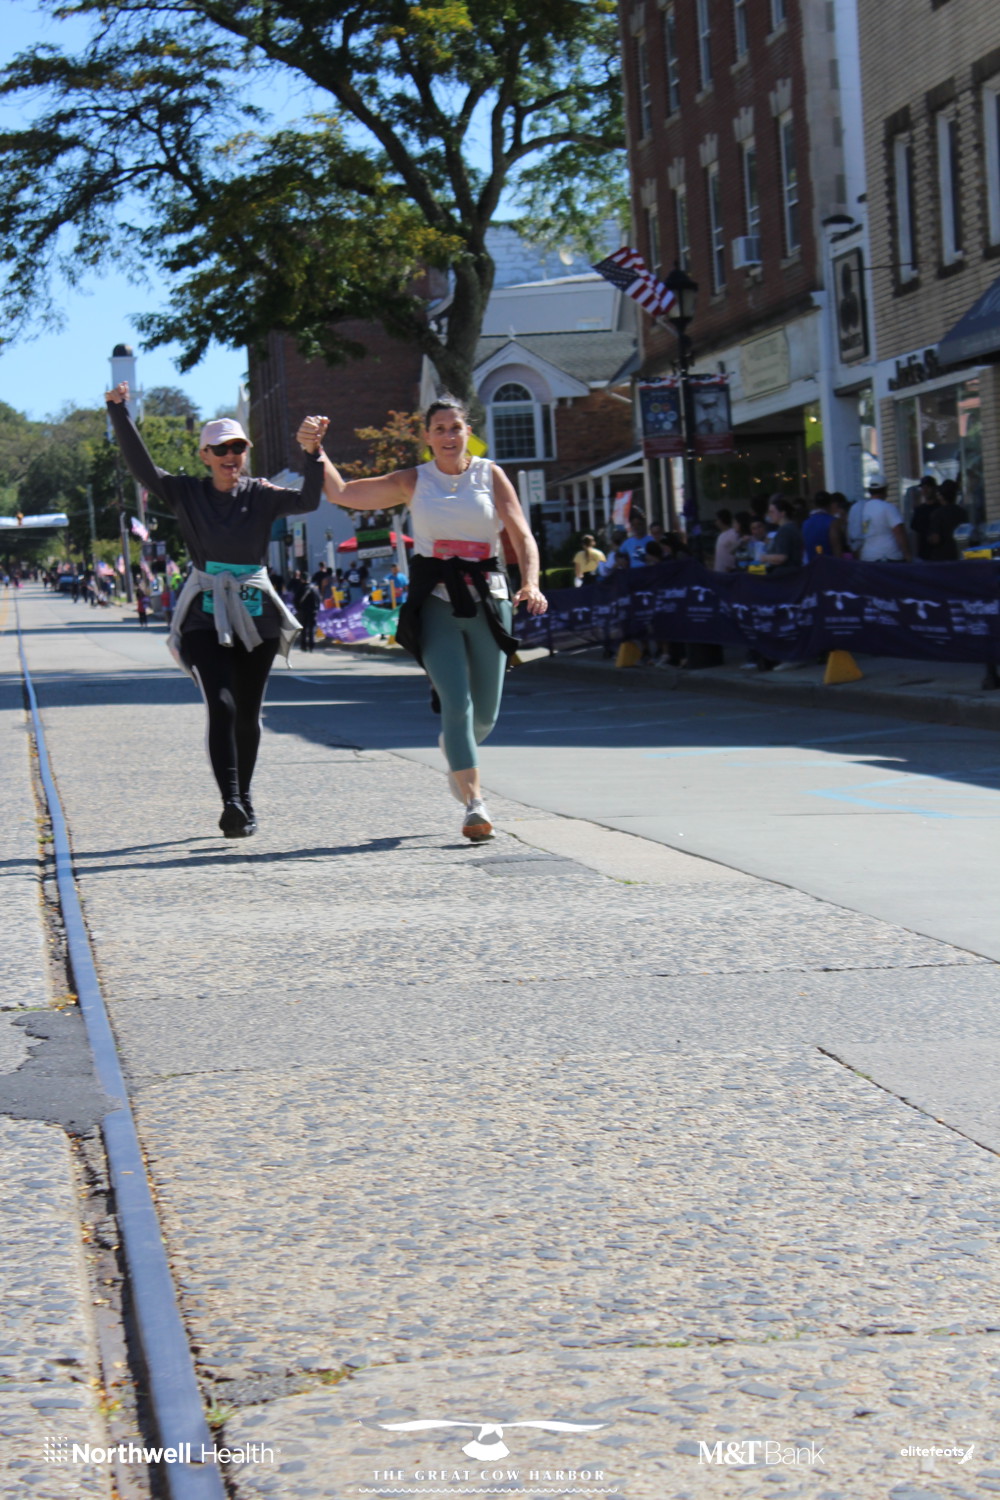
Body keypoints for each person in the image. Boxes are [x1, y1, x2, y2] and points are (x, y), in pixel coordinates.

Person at [303, 395, 547, 842]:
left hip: (489, 598)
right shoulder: (414, 480)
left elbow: (521, 534)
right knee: (456, 704)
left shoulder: (490, 475)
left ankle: (455, 748)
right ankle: (475, 805)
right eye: (440, 429)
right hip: (434, 601)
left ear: (468, 432)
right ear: (427, 437)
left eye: (456, 427)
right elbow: (341, 493)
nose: (449, 436)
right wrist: (315, 451)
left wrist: (530, 583)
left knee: (485, 715)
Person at [105, 381, 326, 838]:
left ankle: (245, 797)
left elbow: (308, 499)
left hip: (256, 614)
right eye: (220, 449)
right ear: (204, 455)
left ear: (246, 453)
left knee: (248, 712)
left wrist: (313, 454)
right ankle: (230, 802)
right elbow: (142, 468)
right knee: (221, 704)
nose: (230, 455)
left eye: (237, 448)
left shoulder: (261, 494)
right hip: (204, 615)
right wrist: (118, 412)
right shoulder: (186, 493)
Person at [849, 473, 911, 562]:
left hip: (868, 557)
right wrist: (907, 555)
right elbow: (899, 532)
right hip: (888, 556)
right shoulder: (888, 508)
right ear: (885, 490)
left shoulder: (862, 509)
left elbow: (856, 535)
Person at [801, 491, 843, 560]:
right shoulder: (832, 522)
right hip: (829, 563)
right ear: (830, 504)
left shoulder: (806, 522)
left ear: (815, 504)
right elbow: (836, 546)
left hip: (812, 563)